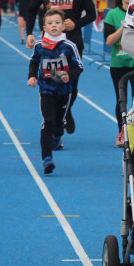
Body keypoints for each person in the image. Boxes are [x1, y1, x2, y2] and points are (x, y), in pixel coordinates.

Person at [26, 0, 97, 134]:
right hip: (49, 44)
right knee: (51, 80)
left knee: (71, 82)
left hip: (72, 42)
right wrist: (29, 33)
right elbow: (31, 10)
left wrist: (76, 24)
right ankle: (58, 118)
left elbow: (92, 14)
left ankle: (67, 111)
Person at [27, 9, 83, 175]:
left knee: (59, 125)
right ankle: (47, 159)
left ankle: (58, 135)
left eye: (57, 23)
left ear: (63, 26)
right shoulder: (39, 46)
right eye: (50, 23)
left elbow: (78, 66)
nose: (53, 26)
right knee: (48, 122)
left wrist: (69, 75)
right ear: (44, 27)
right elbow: (34, 62)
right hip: (46, 90)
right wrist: (32, 77)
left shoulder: (69, 46)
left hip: (65, 91)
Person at [103, 0, 134, 147]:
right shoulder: (112, 14)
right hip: (119, 64)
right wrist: (123, 28)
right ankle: (122, 132)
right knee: (121, 99)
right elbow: (109, 42)